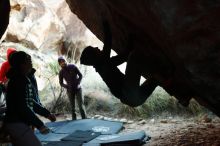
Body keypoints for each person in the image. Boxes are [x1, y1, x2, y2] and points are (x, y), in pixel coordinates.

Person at [80, 21, 159, 107]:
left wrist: (130, 38)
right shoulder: (104, 64)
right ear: (95, 56)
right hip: (131, 94)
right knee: (134, 56)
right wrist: (105, 23)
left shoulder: (104, 67)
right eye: (94, 49)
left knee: (157, 77)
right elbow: (108, 43)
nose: (97, 47)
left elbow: (122, 55)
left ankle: (167, 78)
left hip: (134, 101)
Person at [4, 51, 56, 146]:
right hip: (17, 123)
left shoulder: (21, 78)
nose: (31, 63)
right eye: (28, 61)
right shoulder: (18, 80)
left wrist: (47, 114)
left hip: (16, 123)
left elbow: (30, 101)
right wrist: (40, 125)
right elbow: (22, 106)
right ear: (21, 65)